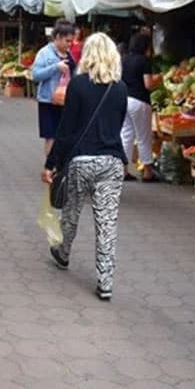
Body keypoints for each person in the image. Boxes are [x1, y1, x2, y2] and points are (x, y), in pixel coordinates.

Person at [41, 33, 129, 301]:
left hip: (81, 159)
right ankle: (106, 281)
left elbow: (66, 130)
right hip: (112, 162)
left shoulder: (78, 85)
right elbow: (117, 126)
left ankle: (63, 252)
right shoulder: (121, 88)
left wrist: (51, 162)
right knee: (107, 223)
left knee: (72, 210)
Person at [121, 33, 162, 182]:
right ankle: (147, 172)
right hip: (139, 101)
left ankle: (123, 171)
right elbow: (148, 84)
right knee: (143, 137)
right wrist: (159, 79)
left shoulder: (123, 59)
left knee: (126, 135)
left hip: (124, 100)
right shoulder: (144, 61)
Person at [31, 20, 76, 155]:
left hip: (65, 101)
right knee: (50, 136)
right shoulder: (44, 53)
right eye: (67, 41)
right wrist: (55, 67)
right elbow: (36, 75)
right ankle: (50, 168)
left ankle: (59, 165)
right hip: (48, 101)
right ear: (57, 37)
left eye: (71, 41)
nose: (69, 44)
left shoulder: (69, 55)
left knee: (63, 135)